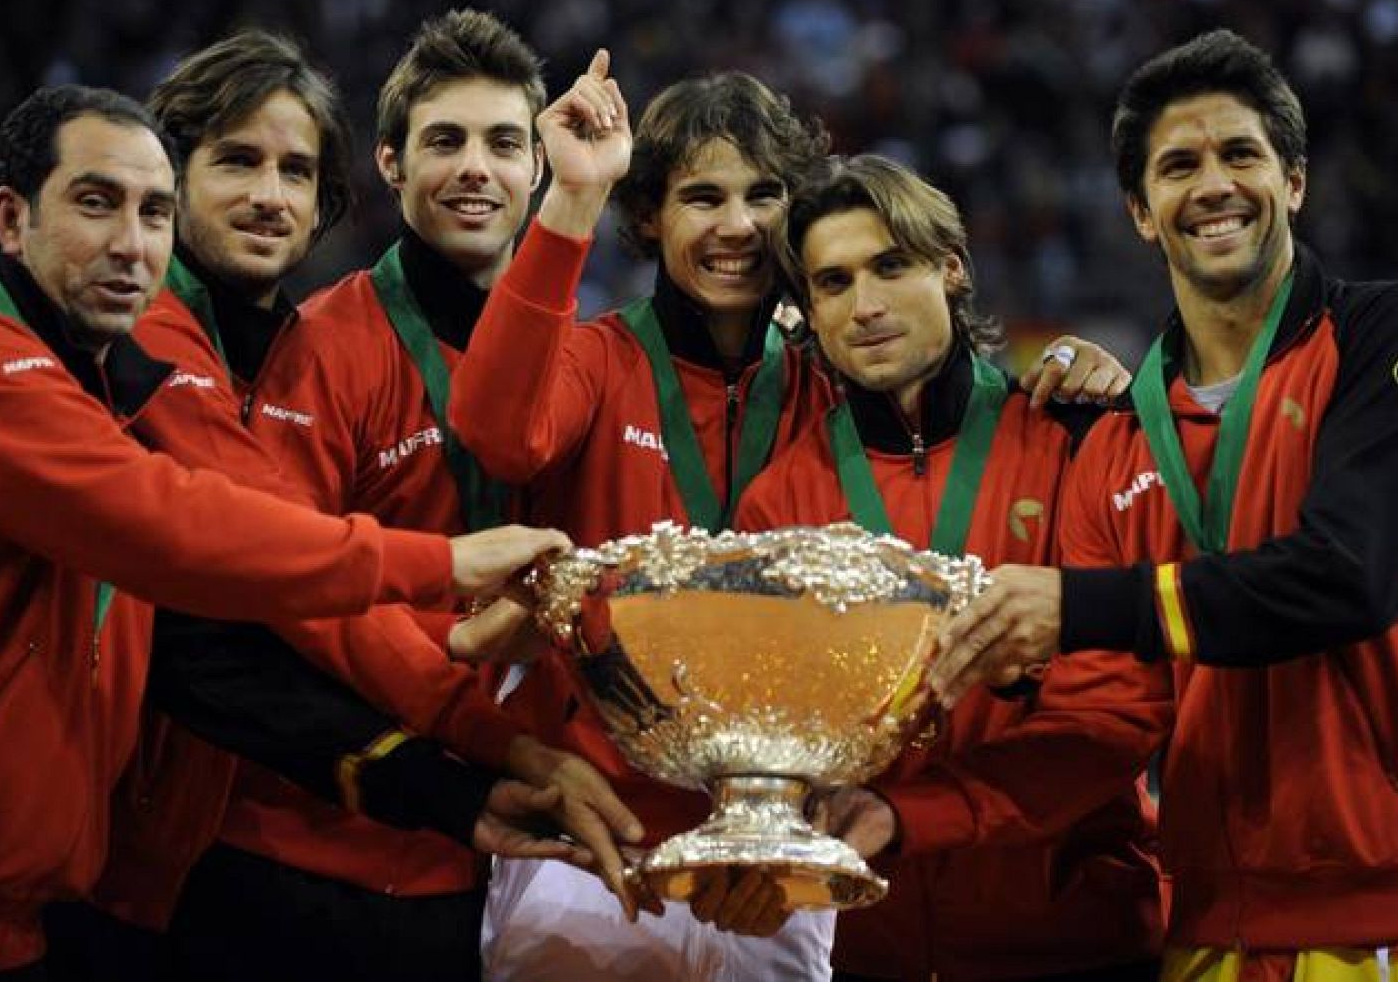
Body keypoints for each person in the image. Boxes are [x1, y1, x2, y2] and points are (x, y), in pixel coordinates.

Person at [0, 84, 569, 979]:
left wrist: (452, 793)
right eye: (96, 203)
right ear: (10, 218)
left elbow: (211, 663)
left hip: (19, 927)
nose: (131, 242)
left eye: (151, 212)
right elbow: (173, 527)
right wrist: (440, 563)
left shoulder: (115, 402)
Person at [453, 67, 1132, 979]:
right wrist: (573, 197)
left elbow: (943, 390)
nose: (738, 224)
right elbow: (497, 429)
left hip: (798, 843)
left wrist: (1080, 370)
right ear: (650, 215)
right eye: (704, 197)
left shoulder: (836, 382)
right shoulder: (598, 359)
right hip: (603, 833)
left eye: (764, 195)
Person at [35, 31, 633, 982]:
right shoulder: (309, 344)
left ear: (536, 163)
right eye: (444, 141)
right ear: (390, 164)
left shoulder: (596, 354)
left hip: (479, 850)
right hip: (300, 845)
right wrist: (458, 657)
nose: (474, 169)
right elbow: (284, 583)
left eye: (503, 143)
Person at [929, 29, 1398, 981]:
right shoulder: (1119, 444)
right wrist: (905, 809)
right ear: (1142, 211)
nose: (1213, 184)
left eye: (1241, 155)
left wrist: (1072, 604)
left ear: (1293, 182)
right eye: (1178, 166)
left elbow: (1351, 576)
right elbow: (1111, 718)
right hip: (1212, 936)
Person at [733, 153, 1166, 982]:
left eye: (891, 266)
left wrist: (914, 811)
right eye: (832, 282)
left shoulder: (1077, 442)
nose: (866, 306)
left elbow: (1120, 715)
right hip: (869, 952)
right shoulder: (778, 502)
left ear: (952, 268)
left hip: (1077, 944)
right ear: (809, 311)